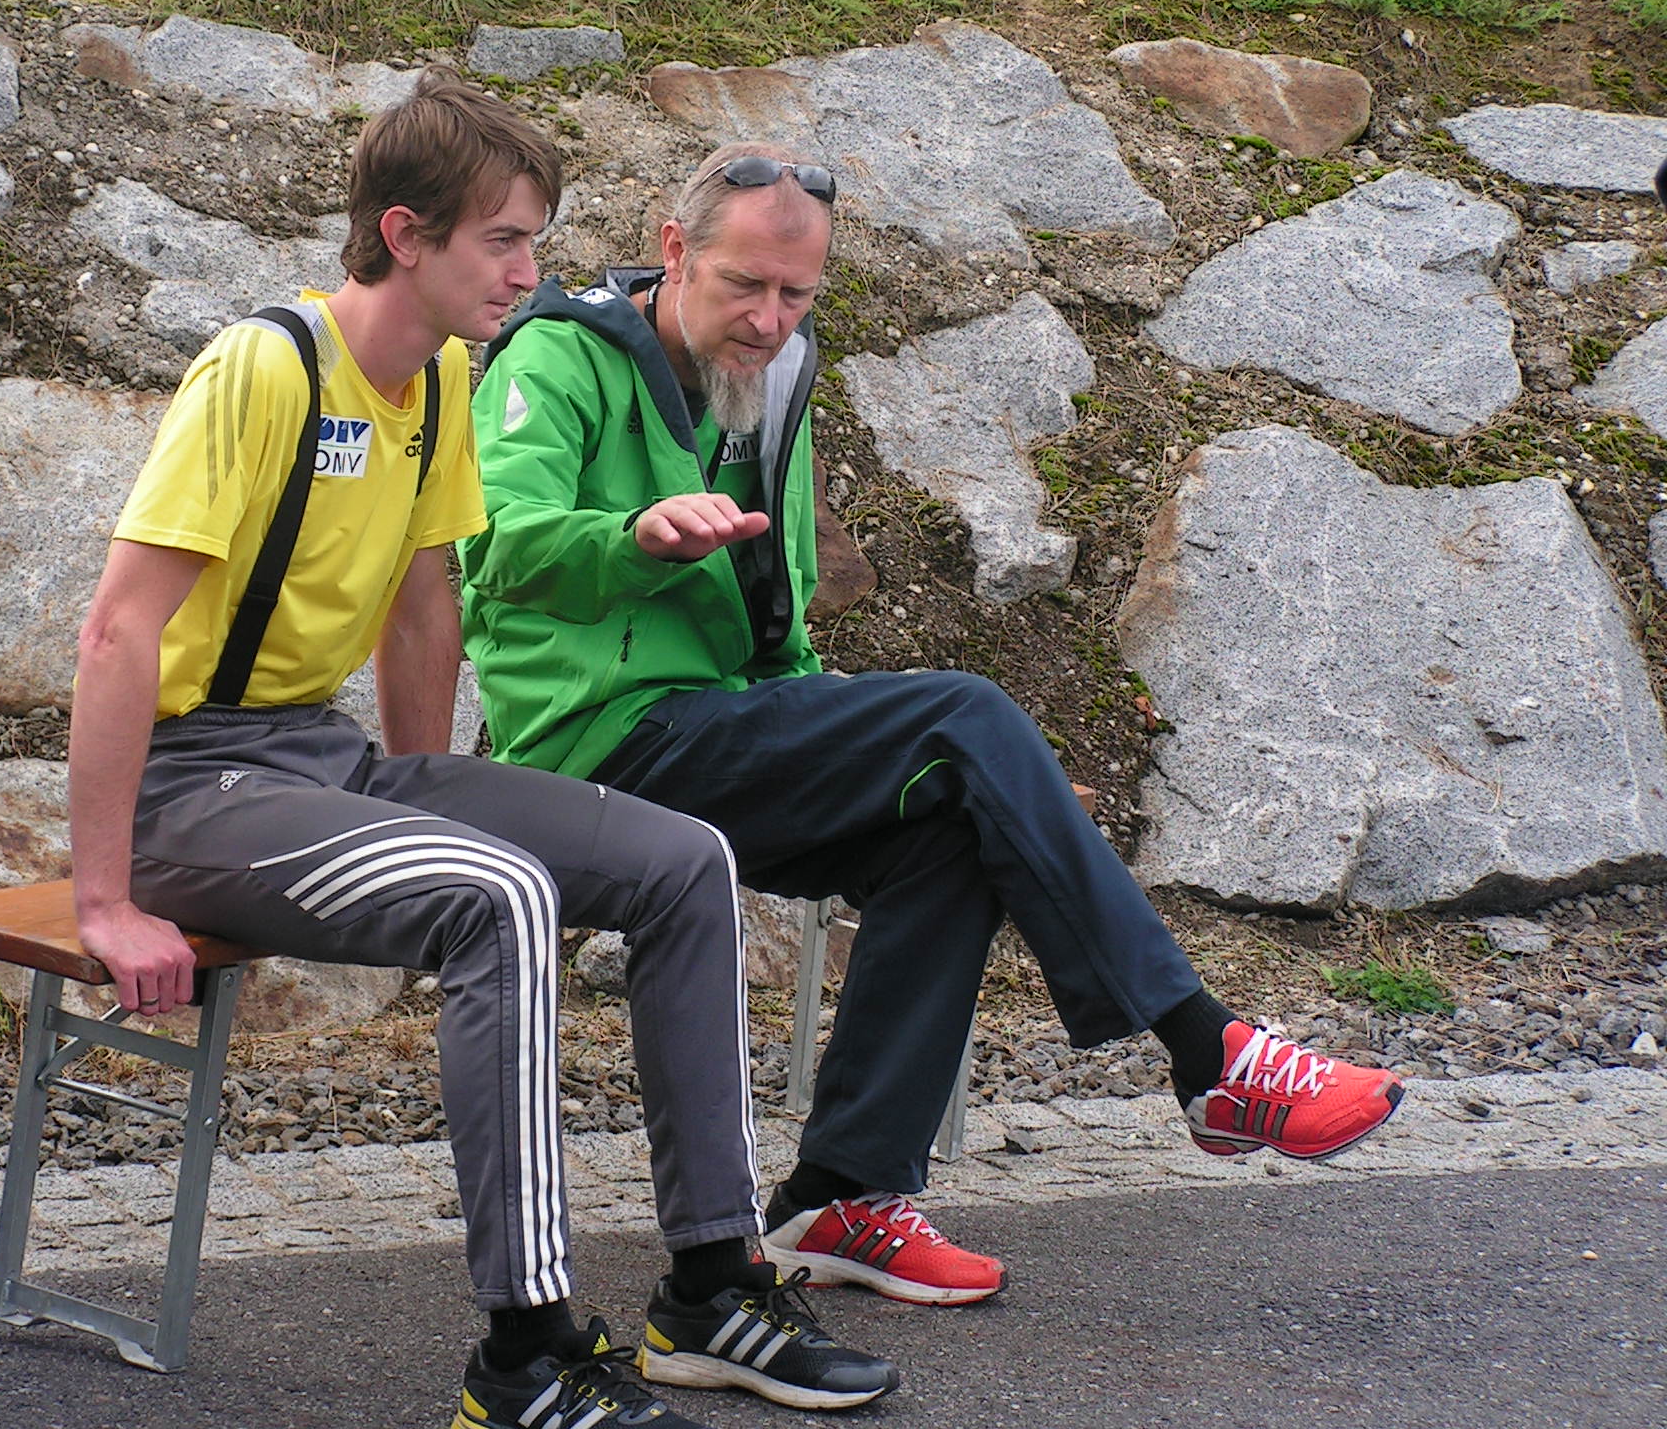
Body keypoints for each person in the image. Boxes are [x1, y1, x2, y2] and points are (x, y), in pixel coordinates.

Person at [68, 86, 896, 1424]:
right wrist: (105, 899)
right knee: (497, 895)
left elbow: (421, 605)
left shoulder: (438, 379)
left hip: (322, 763)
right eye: (503, 242)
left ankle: (713, 1283)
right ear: (406, 234)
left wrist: (424, 797)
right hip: (191, 786)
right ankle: (525, 1356)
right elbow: (118, 633)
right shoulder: (265, 368)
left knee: (685, 861)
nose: (527, 273)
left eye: (534, 243)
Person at [459, 141, 1407, 1308]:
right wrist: (631, 537)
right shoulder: (557, 355)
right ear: (673, 250)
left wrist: (814, 708)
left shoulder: (776, 371)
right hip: (597, 746)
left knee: (948, 827)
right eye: (743, 285)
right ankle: (1207, 1052)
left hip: (720, 727)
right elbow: (491, 550)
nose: (768, 319)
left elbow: (772, 606)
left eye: (795, 294)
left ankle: (841, 1193)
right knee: (962, 715)